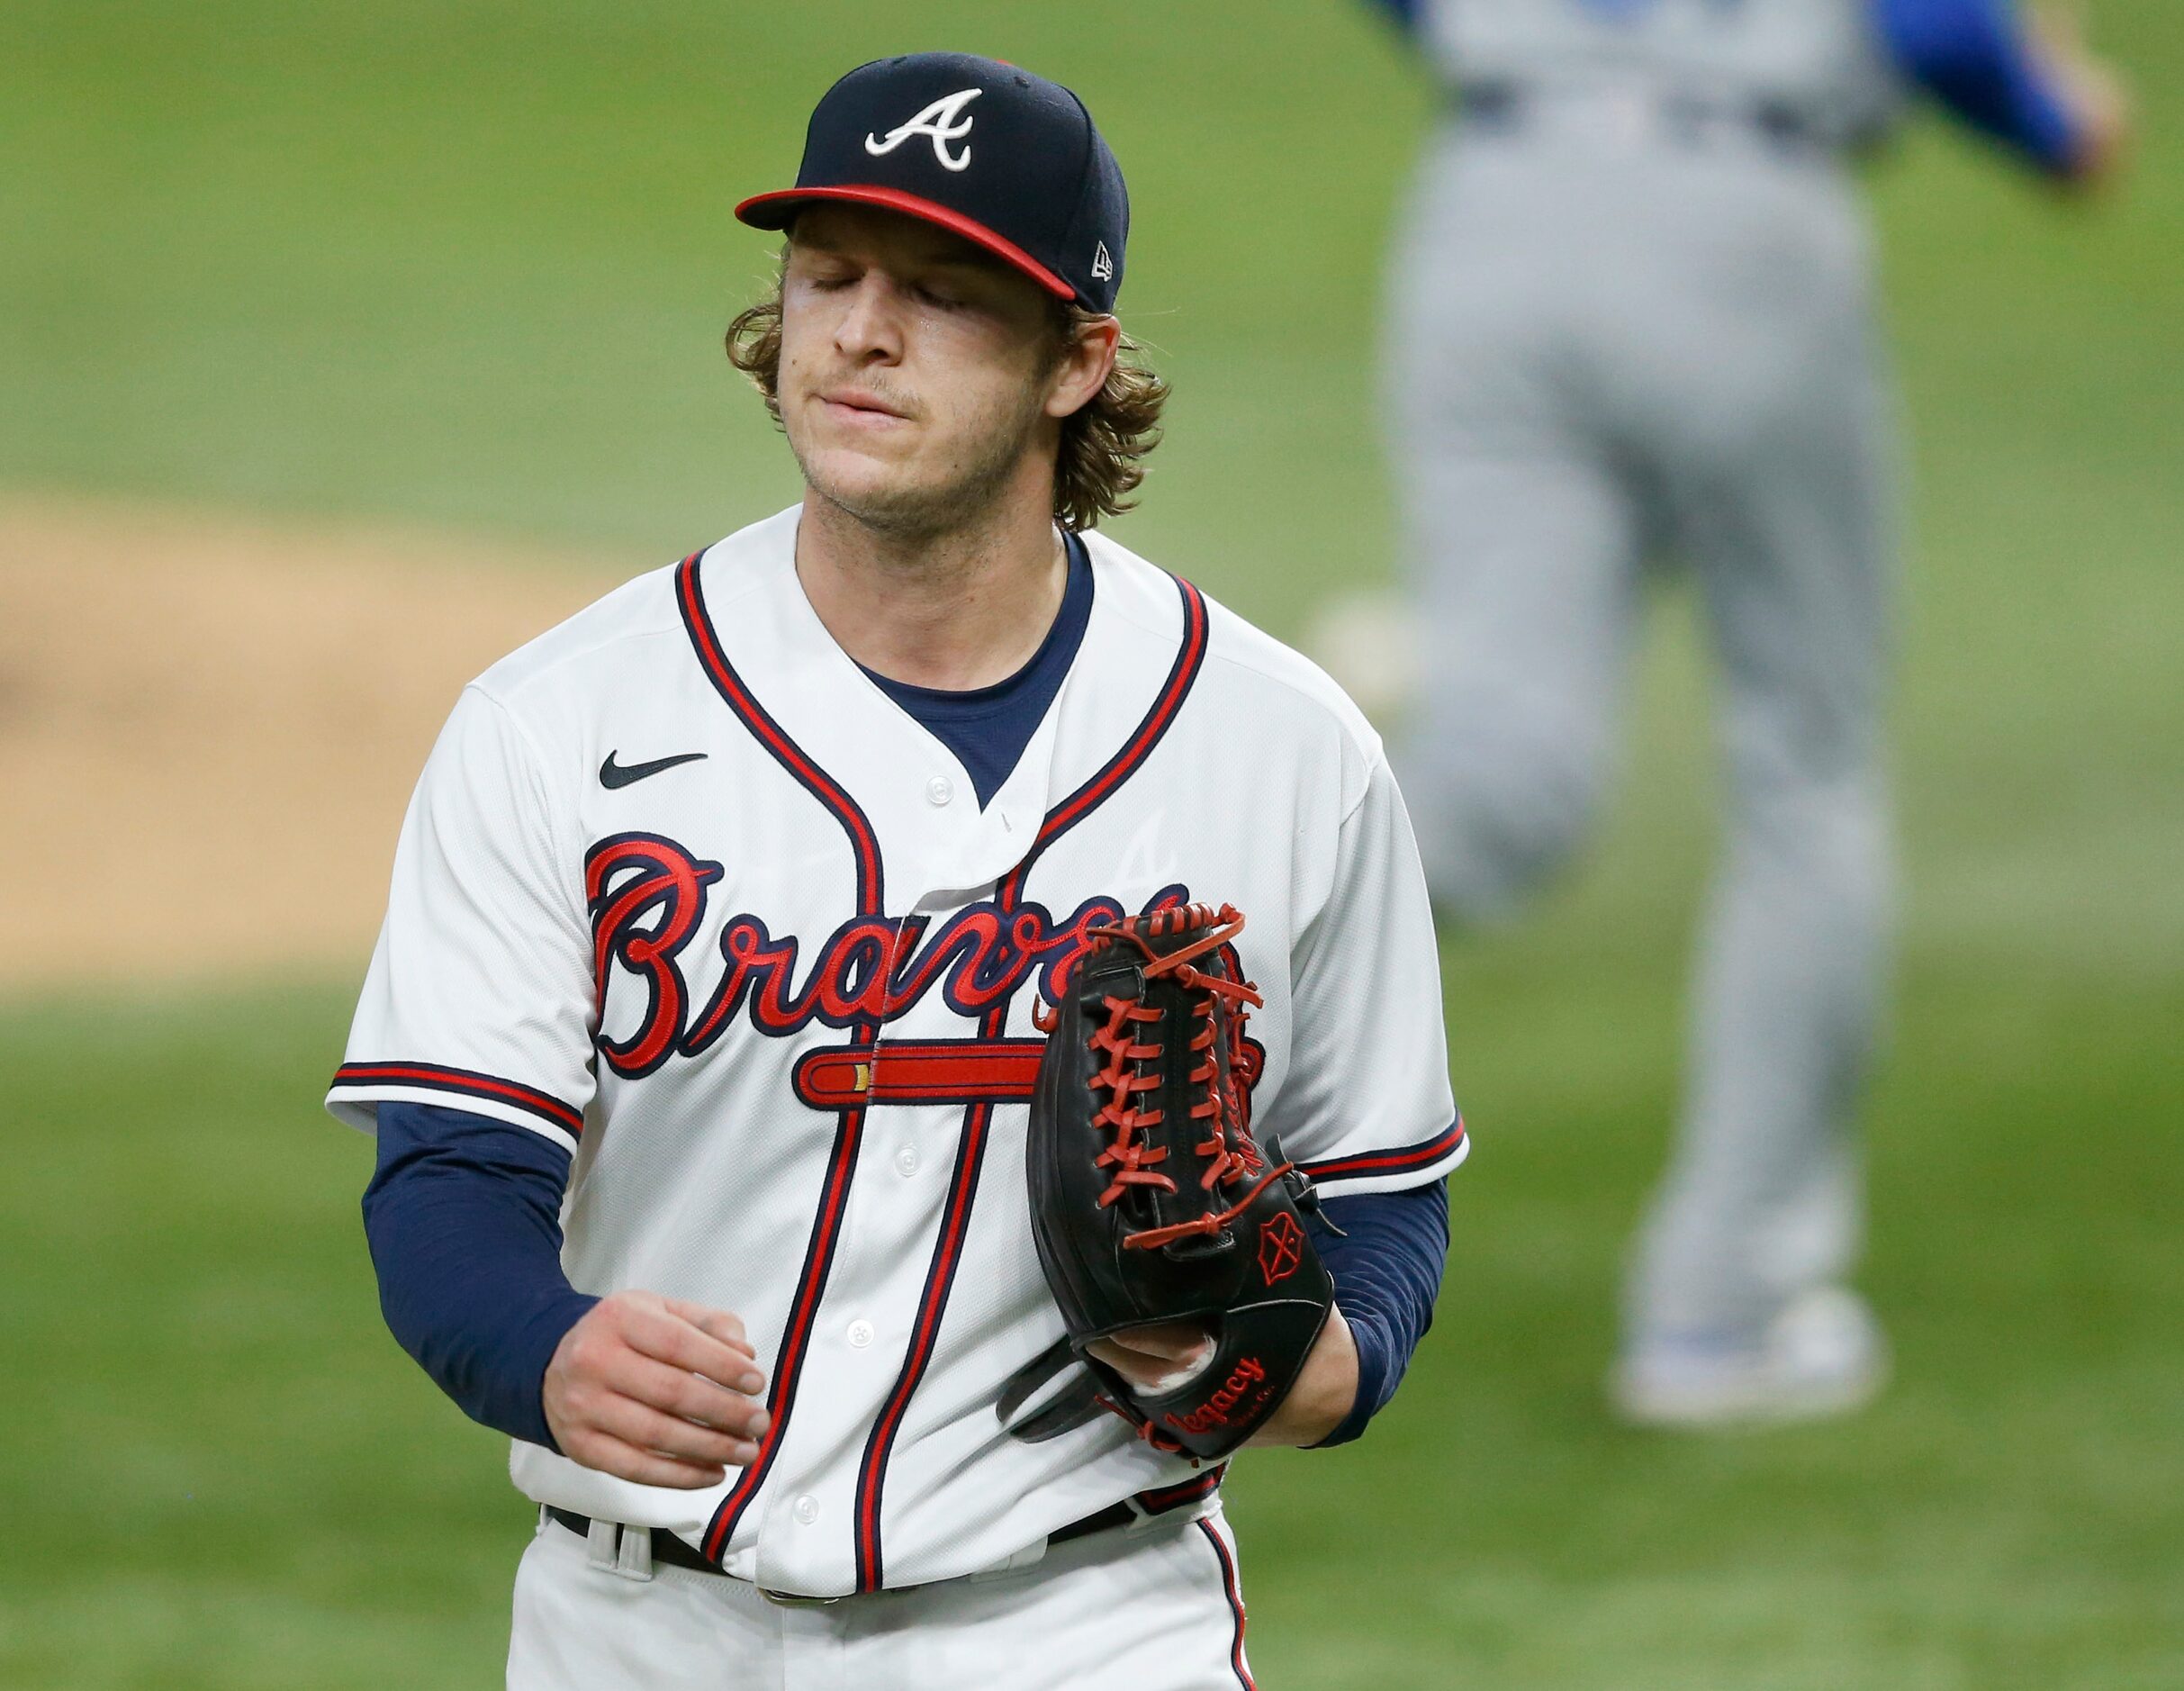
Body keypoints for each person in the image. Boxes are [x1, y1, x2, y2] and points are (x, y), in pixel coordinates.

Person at [326, 52, 1465, 1688]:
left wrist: (1276, 1370)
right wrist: (548, 1347)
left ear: (1079, 365)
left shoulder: (1280, 745)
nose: (860, 330)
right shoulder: (557, 724)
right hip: (637, 1628)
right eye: (827, 275)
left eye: (941, 293)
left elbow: (1382, 1198)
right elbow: (443, 1182)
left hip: (1086, 1621)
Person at [1334, 0, 2128, 1425]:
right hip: (1738, 225)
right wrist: (2053, 108)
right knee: (1804, 770)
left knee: (1498, 781)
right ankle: (1724, 1316)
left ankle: (1162, 935)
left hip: (1493, 209)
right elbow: (1943, 36)